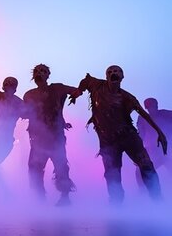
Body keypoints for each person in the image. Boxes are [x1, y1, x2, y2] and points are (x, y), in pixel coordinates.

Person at [70, 66, 168, 204]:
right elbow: (86, 81)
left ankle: (157, 200)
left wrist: (160, 132)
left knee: (146, 165)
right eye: (110, 72)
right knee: (112, 173)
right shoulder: (97, 85)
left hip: (128, 136)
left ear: (122, 77)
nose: (113, 73)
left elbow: (144, 114)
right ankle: (116, 204)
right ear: (106, 76)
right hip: (107, 140)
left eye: (117, 71)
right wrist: (78, 91)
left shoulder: (127, 97)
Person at [23, 64, 77, 206]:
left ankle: (65, 197)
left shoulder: (57, 88)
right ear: (33, 76)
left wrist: (76, 92)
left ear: (48, 75)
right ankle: (39, 199)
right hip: (37, 138)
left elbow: (75, 91)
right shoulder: (29, 95)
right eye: (36, 71)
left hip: (56, 136)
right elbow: (24, 112)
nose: (39, 73)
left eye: (43, 71)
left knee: (61, 166)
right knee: (34, 168)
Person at [136, 98, 172, 181]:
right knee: (140, 171)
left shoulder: (165, 114)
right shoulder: (143, 118)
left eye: (152, 106)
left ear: (156, 106)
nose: (151, 109)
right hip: (153, 150)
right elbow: (141, 134)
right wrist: (138, 150)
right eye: (149, 108)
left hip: (167, 148)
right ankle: (145, 192)